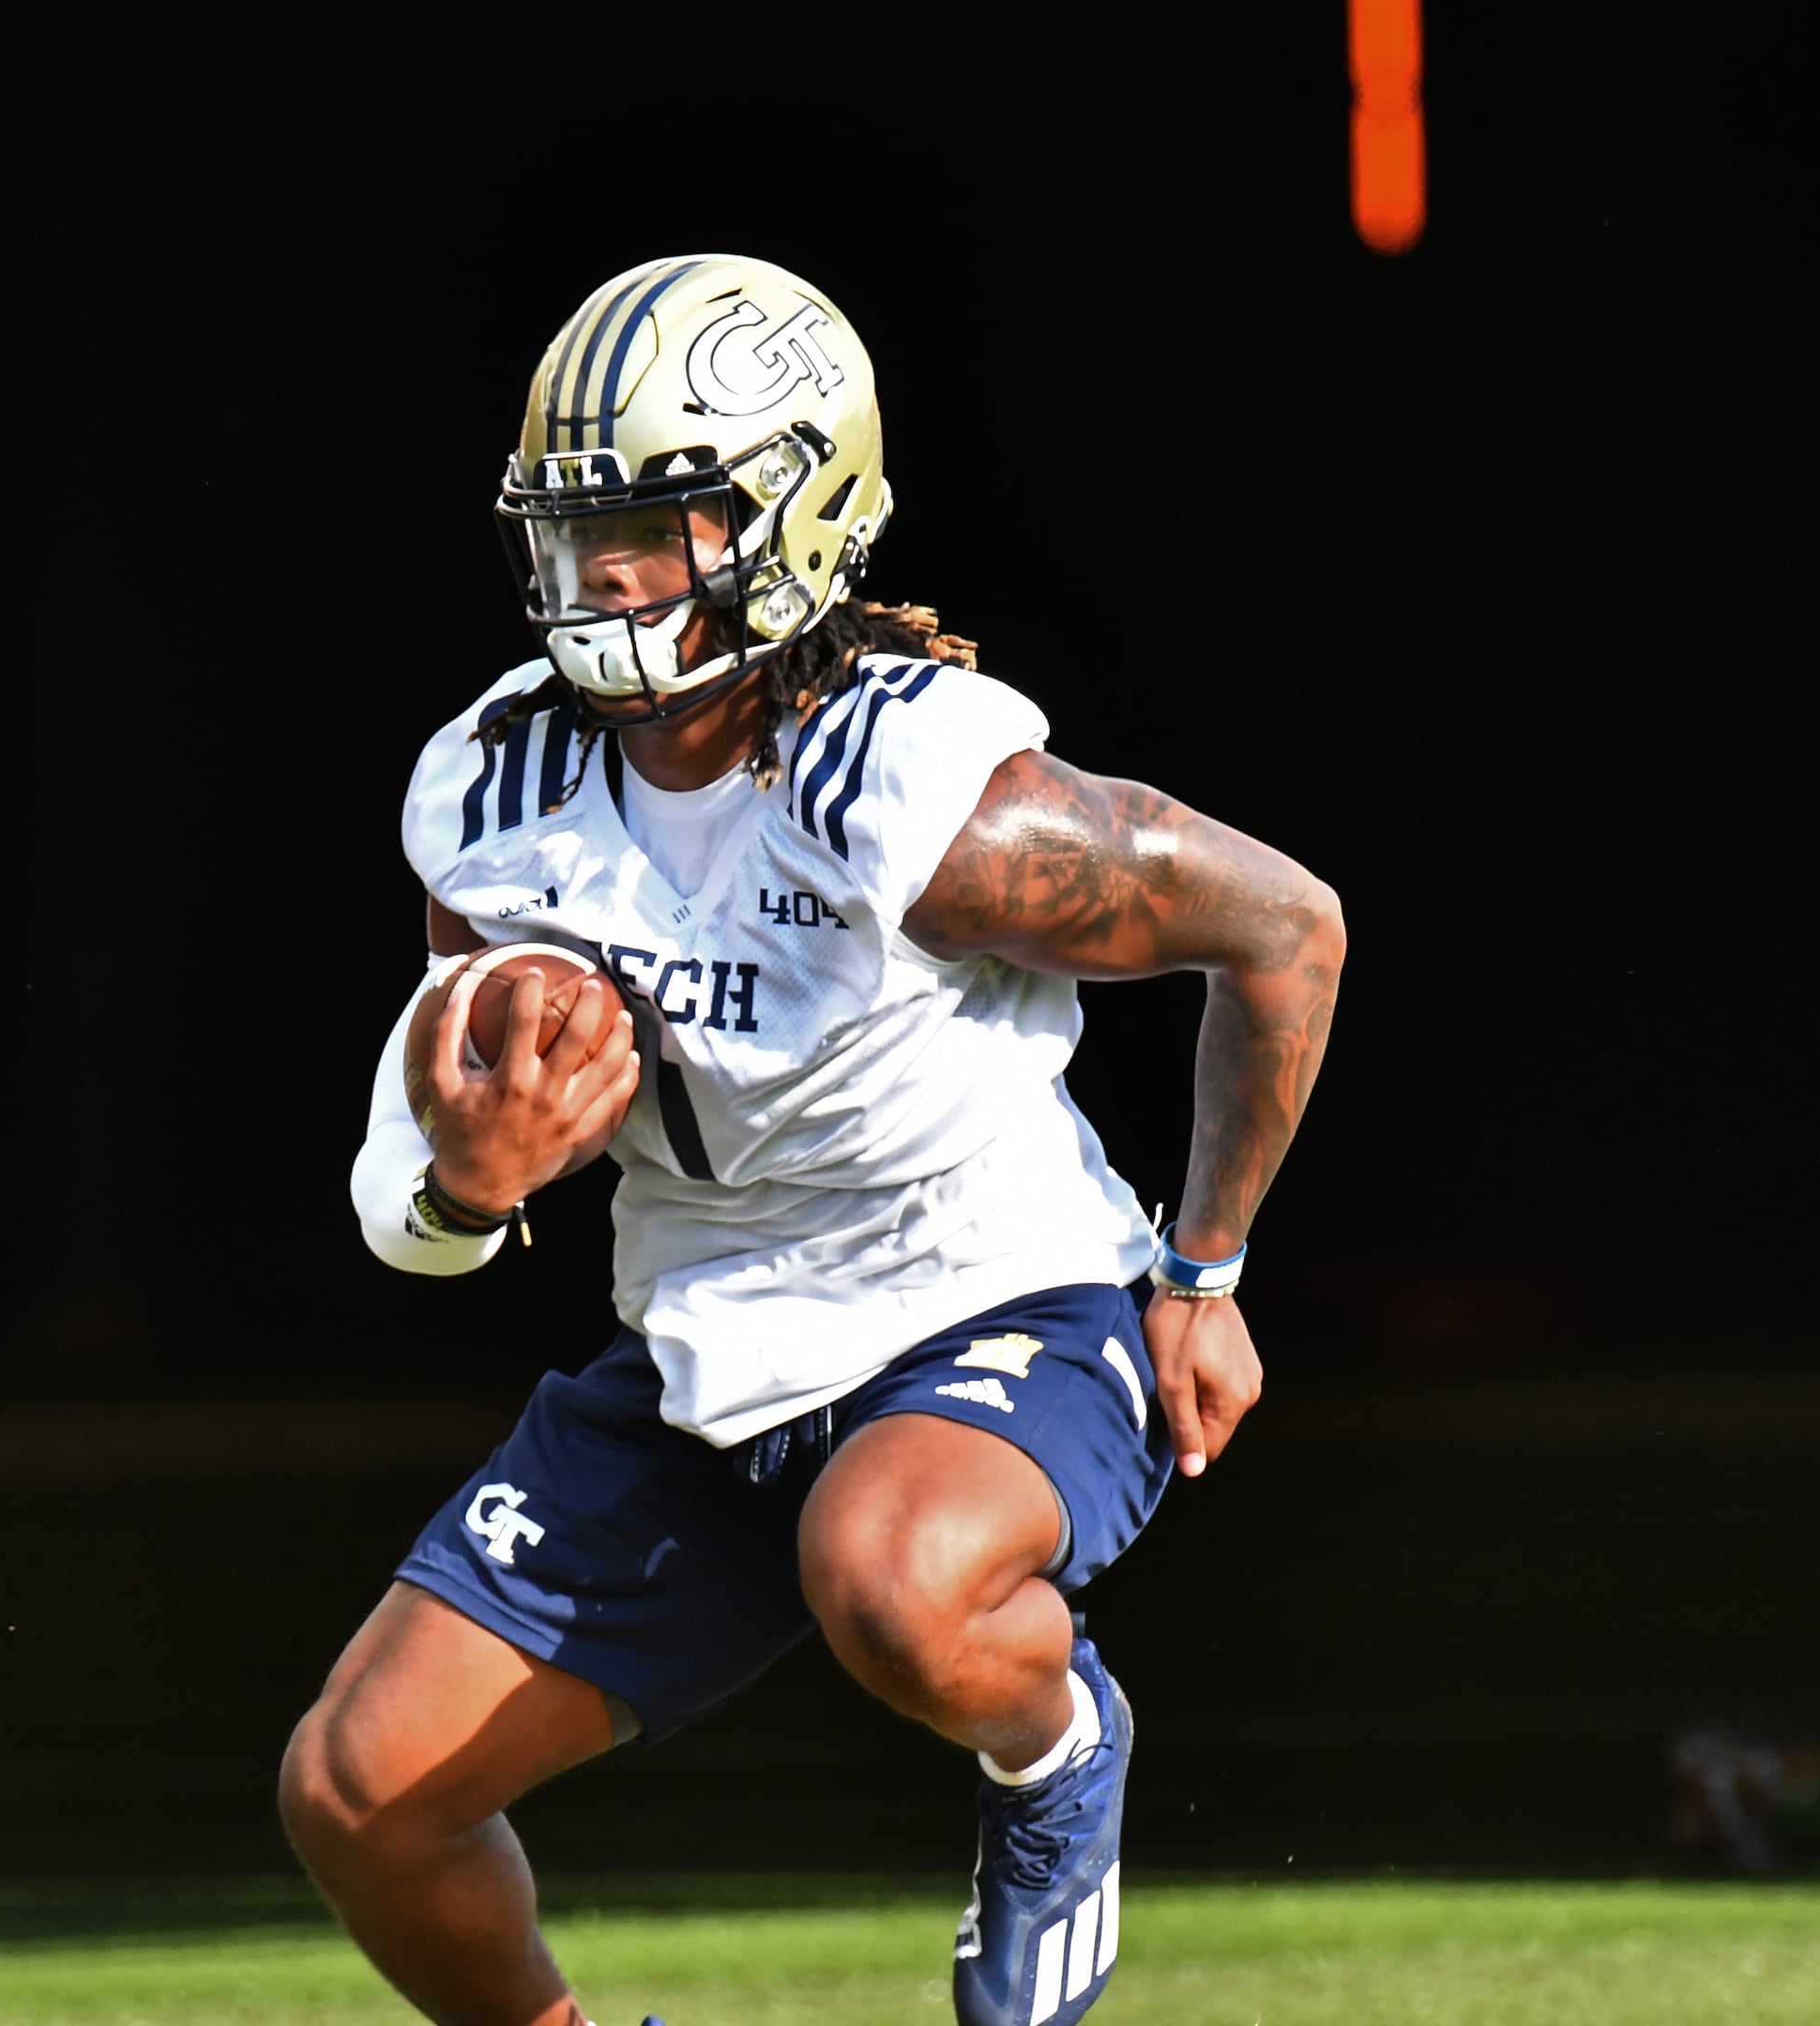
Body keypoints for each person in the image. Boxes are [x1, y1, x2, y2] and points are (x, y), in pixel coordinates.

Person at [277, 254, 1346, 2026]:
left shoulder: (920, 796)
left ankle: (1059, 1749)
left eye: (667, 516)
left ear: (792, 515)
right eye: (576, 525)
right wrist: (470, 1183)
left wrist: (1206, 1270)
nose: (607, 574)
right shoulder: (493, 790)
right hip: (712, 1344)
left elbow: (1286, 928)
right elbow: (402, 1197)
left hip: (992, 1301)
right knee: (360, 1793)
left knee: (894, 1577)